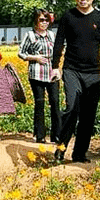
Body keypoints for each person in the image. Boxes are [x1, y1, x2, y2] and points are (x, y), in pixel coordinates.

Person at [51, 0, 100, 162]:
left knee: (88, 115)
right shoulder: (68, 16)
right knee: (71, 108)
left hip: (93, 72)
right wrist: (56, 66)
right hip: (72, 70)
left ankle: (79, 153)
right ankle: (61, 148)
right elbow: (59, 42)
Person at [18, 8, 61, 143]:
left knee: (55, 102)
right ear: (36, 20)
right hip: (36, 72)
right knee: (40, 103)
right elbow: (21, 53)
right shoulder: (30, 35)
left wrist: (58, 67)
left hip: (51, 71)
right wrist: (35, 58)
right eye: (42, 20)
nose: (44, 23)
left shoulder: (52, 35)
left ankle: (56, 135)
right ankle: (40, 135)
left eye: (47, 20)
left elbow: (58, 50)